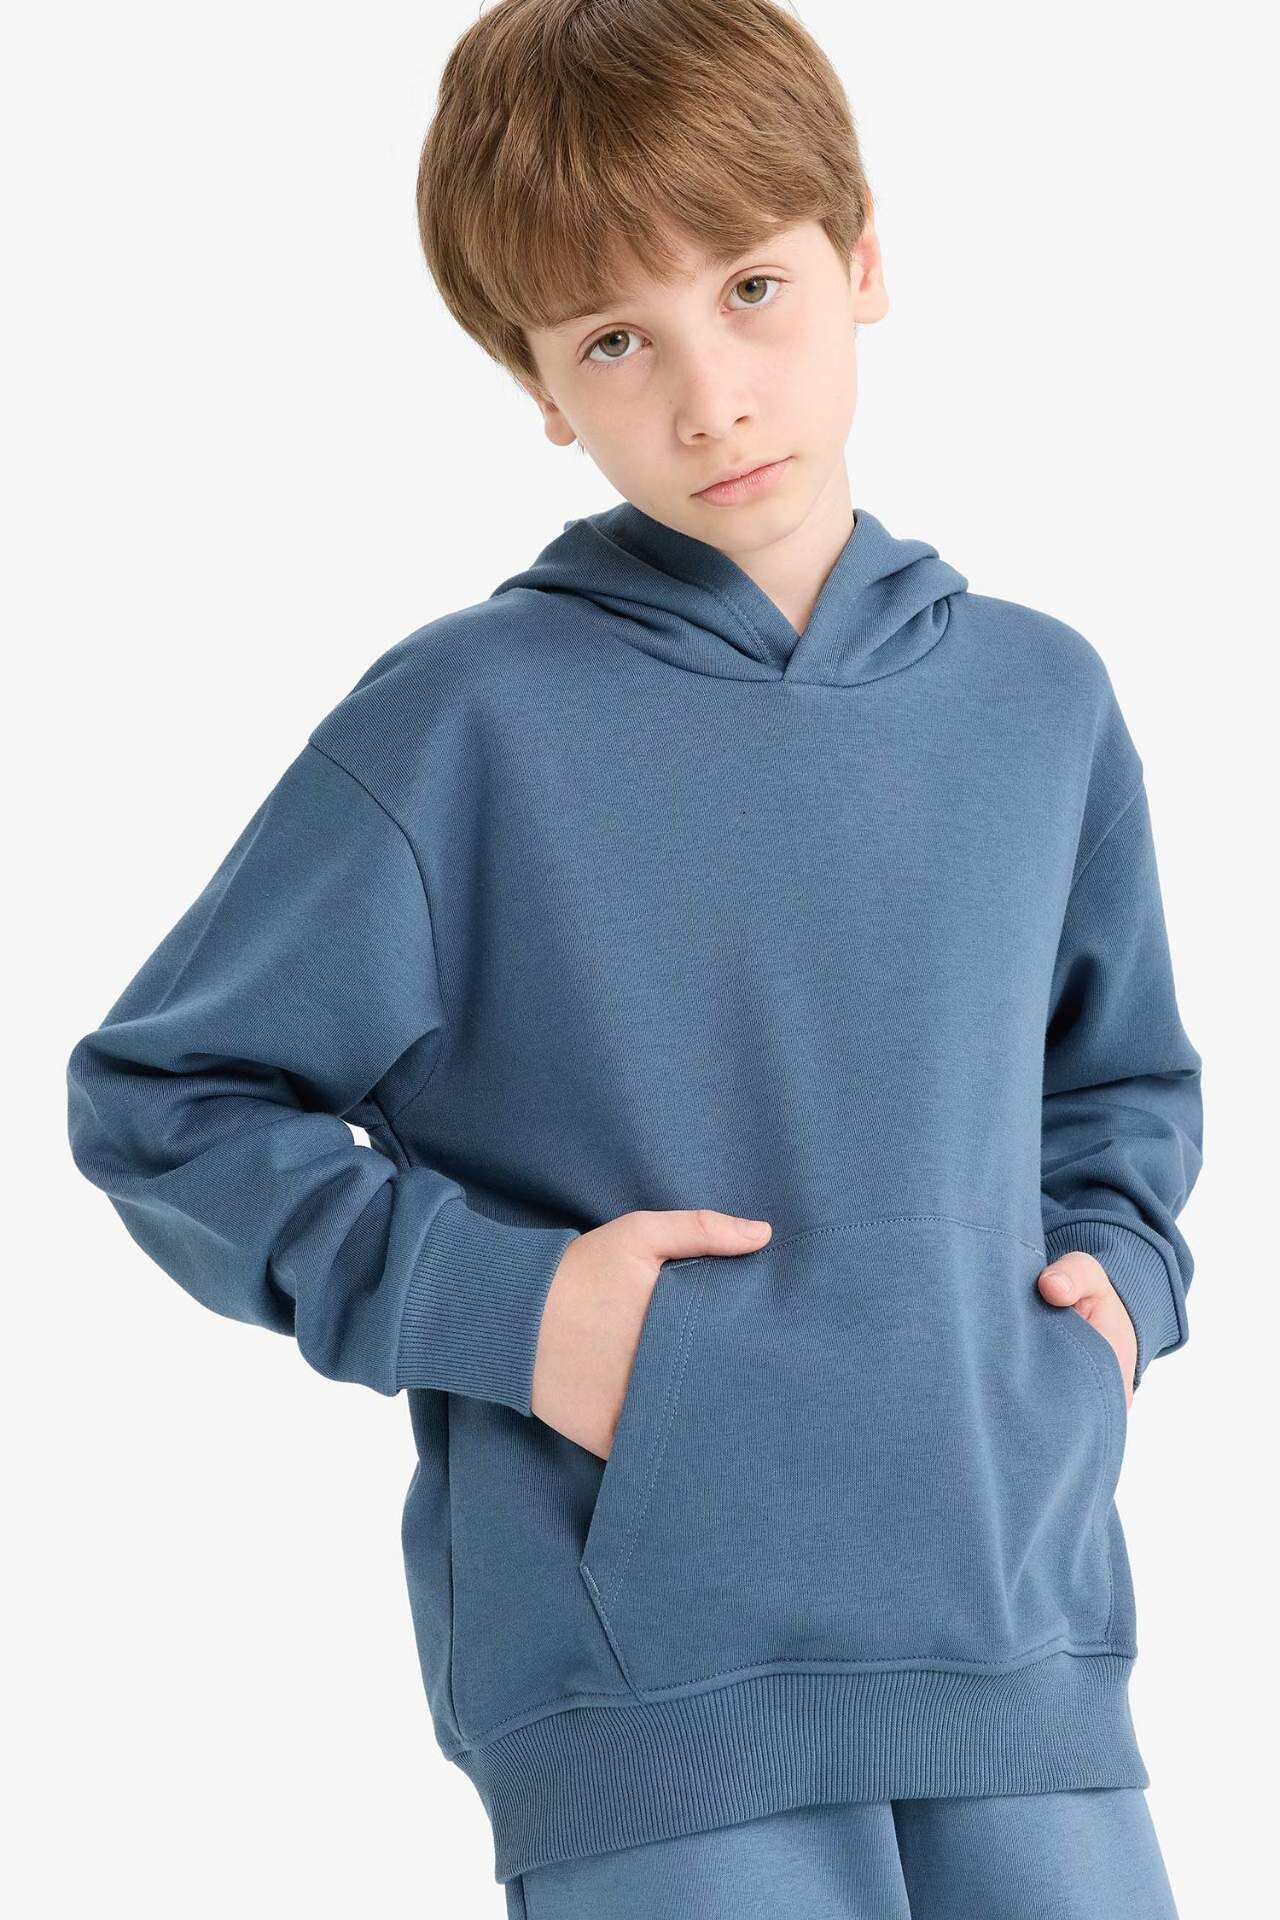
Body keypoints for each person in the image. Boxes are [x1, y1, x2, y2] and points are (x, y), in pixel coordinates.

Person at [65, 2, 1204, 1914]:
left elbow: (1115, 1081)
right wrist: (512, 1313)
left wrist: (1118, 1303)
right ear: (536, 383)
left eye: (752, 290)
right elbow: (164, 1097)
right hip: (642, 1685)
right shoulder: (463, 721)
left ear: (862, 259)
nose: (711, 398)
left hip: (1022, 1634)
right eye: (615, 339)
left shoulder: (1040, 700)